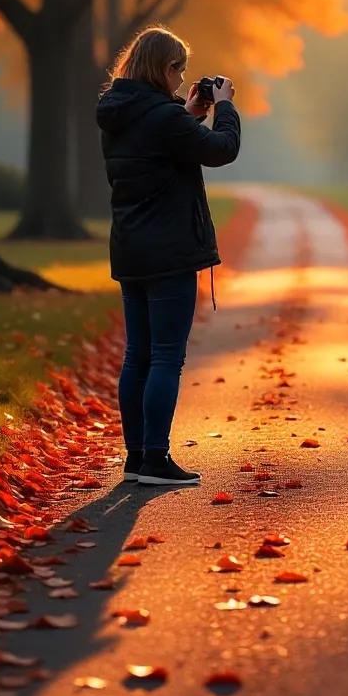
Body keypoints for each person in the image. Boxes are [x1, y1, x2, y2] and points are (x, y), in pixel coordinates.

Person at [96, 25, 241, 487]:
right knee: (164, 356)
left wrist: (190, 112)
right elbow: (222, 150)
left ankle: (136, 457)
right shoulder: (163, 116)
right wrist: (226, 107)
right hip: (170, 252)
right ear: (162, 67)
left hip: (130, 247)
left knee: (137, 354)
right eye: (177, 68)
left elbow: (161, 147)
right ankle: (157, 459)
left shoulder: (121, 114)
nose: (182, 78)